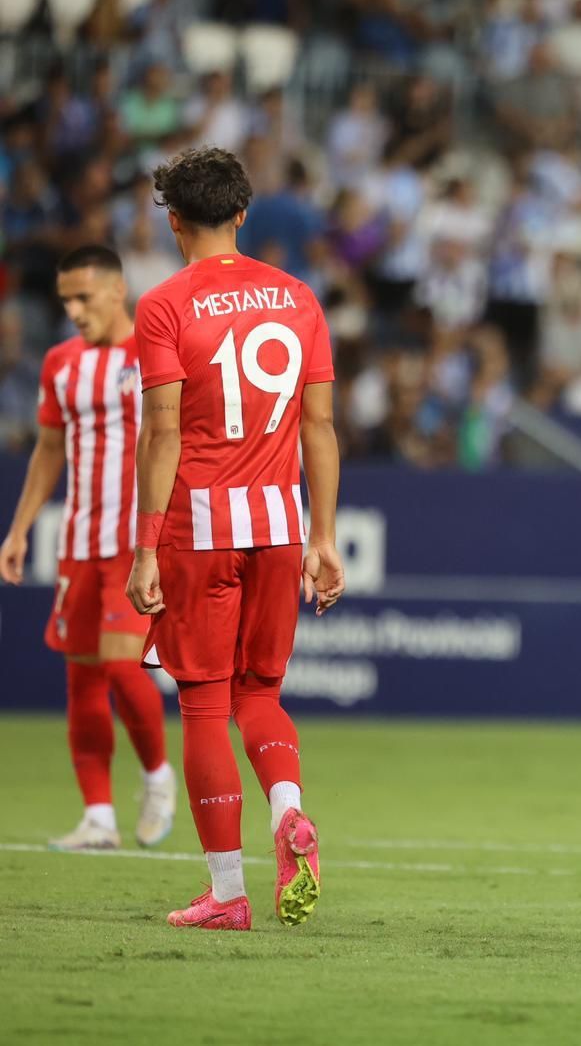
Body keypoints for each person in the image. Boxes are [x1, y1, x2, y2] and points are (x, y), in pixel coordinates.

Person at [126, 146, 345, 931]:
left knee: (204, 703)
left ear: (174, 220)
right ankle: (288, 811)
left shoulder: (163, 305)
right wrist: (324, 536)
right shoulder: (298, 299)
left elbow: (160, 433)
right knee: (261, 695)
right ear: (244, 214)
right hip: (281, 527)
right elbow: (318, 426)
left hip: (200, 529)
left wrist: (147, 546)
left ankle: (226, 893)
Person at [0, 246, 176, 852]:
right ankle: (98, 817)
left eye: (83, 297)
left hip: (136, 543)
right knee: (81, 680)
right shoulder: (60, 364)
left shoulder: (152, 353)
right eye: (65, 300)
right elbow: (49, 450)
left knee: (124, 667)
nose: (74, 311)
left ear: (117, 290)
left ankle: (157, 775)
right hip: (79, 541)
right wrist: (20, 528)